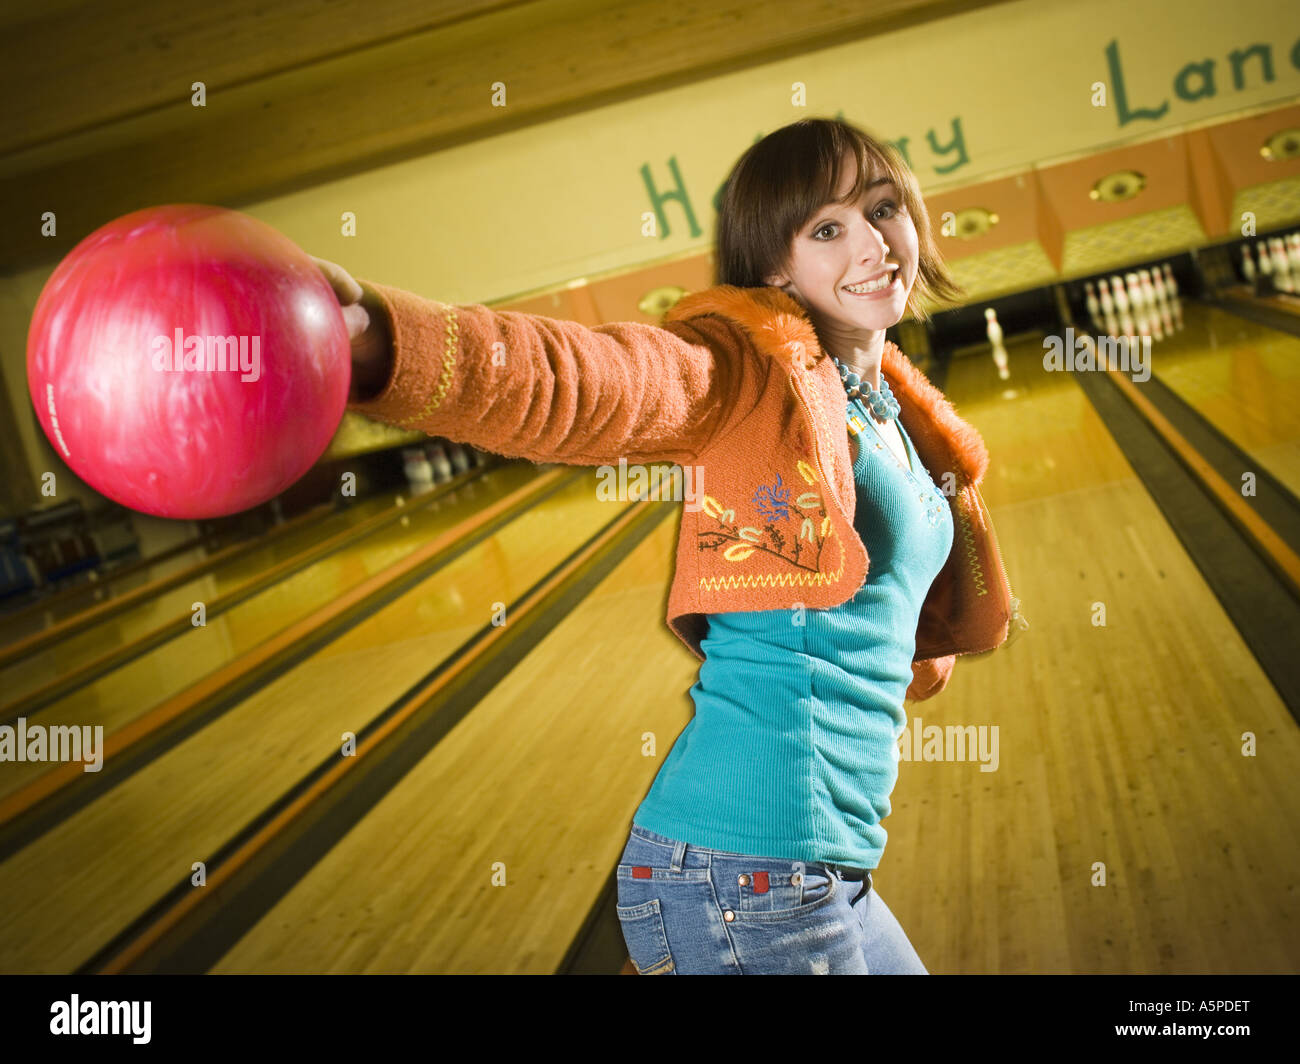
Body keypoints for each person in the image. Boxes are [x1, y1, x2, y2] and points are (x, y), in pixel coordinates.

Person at [315, 117, 1023, 975]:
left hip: (821, 873)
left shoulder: (892, 406)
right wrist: (382, 342)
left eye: (884, 209)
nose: (873, 243)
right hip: (743, 879)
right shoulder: (745, 371)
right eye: (827, 229)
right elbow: (582, 380)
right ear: (774, 267)